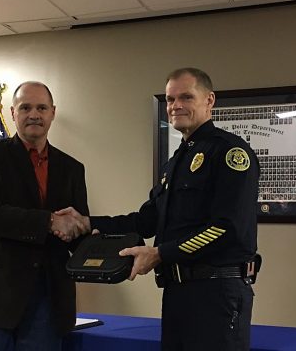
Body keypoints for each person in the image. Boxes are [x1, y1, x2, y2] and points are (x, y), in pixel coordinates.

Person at [59, 68, 260, 350]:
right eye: (170, 99)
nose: (176, 106)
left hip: (217, 293)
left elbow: (227, 228)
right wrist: (87, 222)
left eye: (186, 97)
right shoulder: (176, 162)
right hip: (177, 291)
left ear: (209, 100)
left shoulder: (229, 153)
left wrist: (160, 253)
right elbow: (147, 220)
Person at [0, 81, 90, 351]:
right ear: (13, 113)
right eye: (25, 107)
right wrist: (49, 221)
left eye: (41, 107)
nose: (34, 114)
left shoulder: (72, 168)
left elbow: (76, 227)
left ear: (53, 113)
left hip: (48, 301)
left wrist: (105, 248)